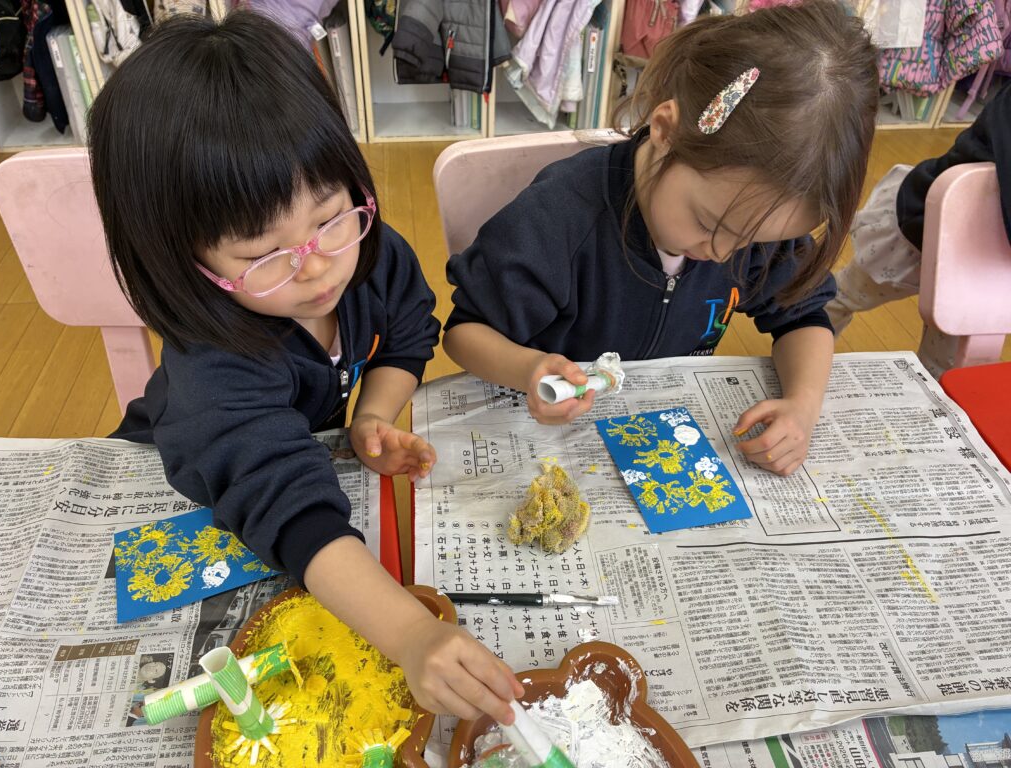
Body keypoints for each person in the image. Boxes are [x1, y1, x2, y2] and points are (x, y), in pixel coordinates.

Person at [89, 11, 521, 725]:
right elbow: (288, 505)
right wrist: (411, 634)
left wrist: (371, 415)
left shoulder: (369, 255)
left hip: (293, 468)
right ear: (182, 260)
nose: (317, 266)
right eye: (264, 253)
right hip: (197, 491)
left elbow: (409, 335)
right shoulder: (214, 364)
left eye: (329, 216)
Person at [443, 0, 878, 477]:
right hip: (548, 431)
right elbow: (465, 332)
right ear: (665, 130)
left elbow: (805, 316)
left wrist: (803, 404)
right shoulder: (558, 219)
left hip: (658, 425)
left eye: (751, 241)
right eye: (710, 224)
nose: (723, 253)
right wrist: (529, 369)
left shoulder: (753, 222)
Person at [826, 82, 1011, 377]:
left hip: (979, 266)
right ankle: (800, 354)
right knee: (844, 295)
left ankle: (932, 400)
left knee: (946, 362)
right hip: (921, 229)